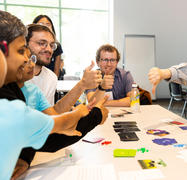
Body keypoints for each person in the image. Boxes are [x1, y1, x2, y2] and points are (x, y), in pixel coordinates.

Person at [0, 11, 109, 179]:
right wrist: (89, 114)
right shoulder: (9, 92)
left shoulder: (40, 81)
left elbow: (46, 120)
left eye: (51, 45)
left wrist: (24, 156)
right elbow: (46, 129)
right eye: (22, 51)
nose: (48, 49)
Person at [27, 23, 102, 112]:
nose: (49, 49)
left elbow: (50, 115)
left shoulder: (50, 77)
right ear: (24, 43)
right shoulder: (15, 77)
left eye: (51, 45)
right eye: (42, 43)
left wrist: (78, 112)